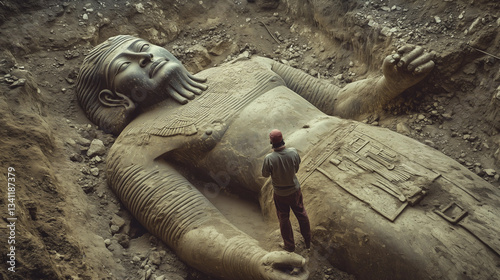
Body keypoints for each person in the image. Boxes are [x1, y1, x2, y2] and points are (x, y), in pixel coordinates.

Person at [76, 35, 500, 280]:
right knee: (436, 263)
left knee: (483, 208)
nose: (146, 57)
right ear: (113, 95)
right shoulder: (134, 146)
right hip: (322, 192)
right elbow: (190, 227)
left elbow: (338, 101)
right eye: (126, 63)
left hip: (376, 144)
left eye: (143, 46)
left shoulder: (251, 66)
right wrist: (252, 260)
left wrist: (389, 82)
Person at [262, 129, 311, 252]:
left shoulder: (269, 158)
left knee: (283, 218)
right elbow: (296, 168)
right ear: (282, 139)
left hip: (280, 194)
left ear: (271, 142)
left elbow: (265, 174)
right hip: (294, 190)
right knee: (301, 214)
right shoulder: (293, 152)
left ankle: (289, 246)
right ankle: (308, 242)